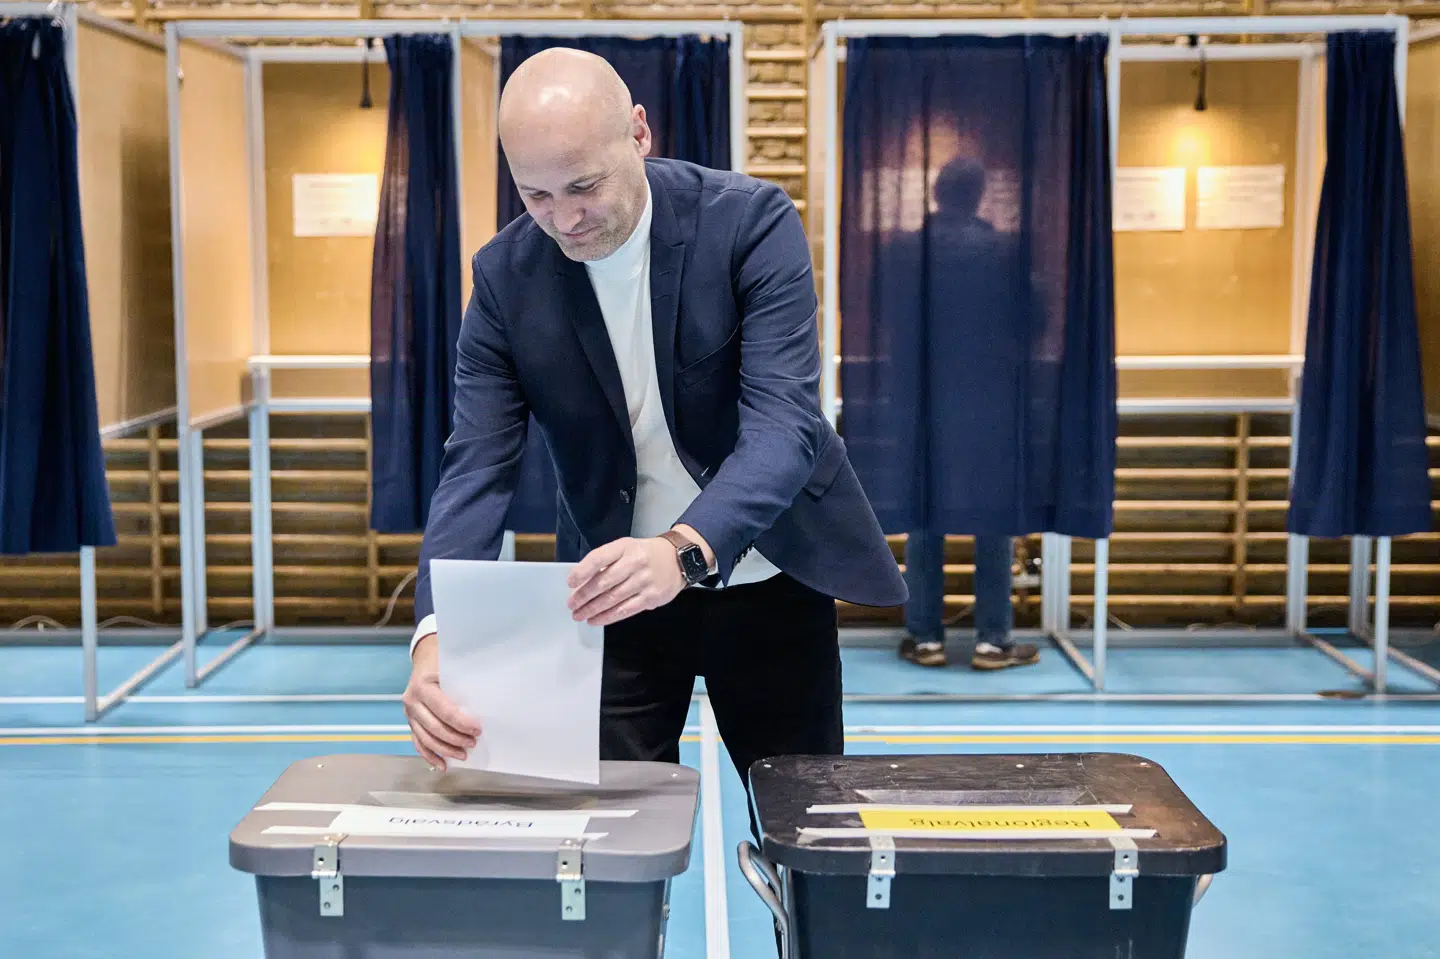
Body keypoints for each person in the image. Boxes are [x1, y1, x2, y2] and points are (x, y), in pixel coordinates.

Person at [401, 48, 906, 794]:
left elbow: (785, 426)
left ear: (639, 132)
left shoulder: (748, 224)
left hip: (767, 577)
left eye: (584, 186)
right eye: (534, 194)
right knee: (607, 848)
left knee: (808, 836)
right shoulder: (505, 280)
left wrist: (683, 551)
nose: (564, 219)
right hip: (610, 595)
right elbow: (475, 467)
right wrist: (436, 637)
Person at [895, 157, 1039, 671]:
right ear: (979, 196)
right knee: (993, 517)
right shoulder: (1002, 250)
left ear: (936, 194)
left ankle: (925, 637)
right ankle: (992, 639)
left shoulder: (906, 248)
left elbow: (889, 322)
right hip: (990, 398)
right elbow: (1034, 319)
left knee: (923, 514)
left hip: (921, 399)